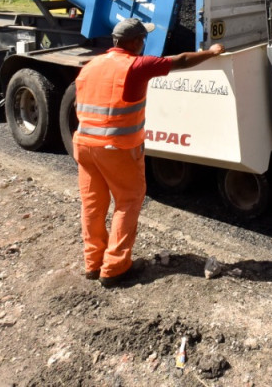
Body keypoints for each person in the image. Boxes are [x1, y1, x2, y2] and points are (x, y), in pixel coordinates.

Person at [73, 17, 224, 287]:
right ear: (134, 42)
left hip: (84, 145)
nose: (144, 44)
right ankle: (116, 267)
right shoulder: (136, 65)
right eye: (142, 39)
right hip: (117, 148)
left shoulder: (91, 65)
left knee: (92, 204)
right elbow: (181, 60)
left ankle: (93, 263)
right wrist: (211, 53)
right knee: (127, 201)